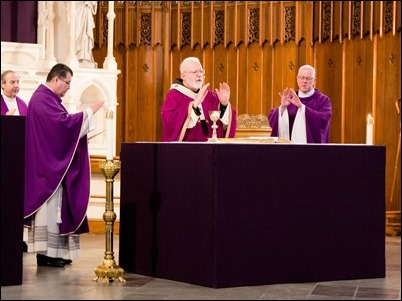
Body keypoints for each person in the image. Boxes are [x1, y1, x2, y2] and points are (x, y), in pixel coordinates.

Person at [24, 63, 105, 267]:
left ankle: (55, 253)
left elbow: (62, 124)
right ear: (56, 79)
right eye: (67, 82)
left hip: (51, 164)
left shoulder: (50, 99)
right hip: (47, 169)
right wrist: (88, 112)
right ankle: (45, 255)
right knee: (50, 211)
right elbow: (61, 125)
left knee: (57, 212)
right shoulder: (42, 98)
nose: (69, 86)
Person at [161, 57, 237, 141]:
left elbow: (226, 124)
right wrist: (193, 106)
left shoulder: (210, 95)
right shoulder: (174, 95)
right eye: (194, 72)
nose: (199, 74)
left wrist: (224, 104)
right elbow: (170, 121)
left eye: (201, 71)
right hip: (187, 151)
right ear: (183, 75)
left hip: (212, 150)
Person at [268, 64, 332, 143]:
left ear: (314, 80)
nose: (304, 81)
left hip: (311, 150)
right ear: (297, 79)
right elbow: (270, 121)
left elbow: (323, 120)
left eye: (308, 78)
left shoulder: (323, 100)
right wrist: (282, 108)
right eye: (302, 78)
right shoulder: (290, 99)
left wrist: (302, 107)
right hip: (289, 150)